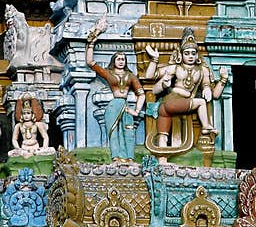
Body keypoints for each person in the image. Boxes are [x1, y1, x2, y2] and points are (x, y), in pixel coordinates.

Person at [144, 28, 228, 149]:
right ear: (181, 54)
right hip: (171, 102)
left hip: (176, 106)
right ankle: (206, 126)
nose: (190, 56)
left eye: (193, 53)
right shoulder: (175, 68)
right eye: (187, 53)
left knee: (163, 137)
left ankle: (162, 154)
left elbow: (215, 95)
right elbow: (149, 76)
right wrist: (155, 59)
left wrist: (222, 80)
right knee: (200, 102)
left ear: (197, 55)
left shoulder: (202, 70)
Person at [86, 21, 144, 163]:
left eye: (123, 59)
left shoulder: (130, 76)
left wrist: (136, 110)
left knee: (129, 131)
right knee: (114, 132)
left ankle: (129, 157)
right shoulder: (109, 74)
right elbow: (90, 62)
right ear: (114, 61)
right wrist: (91, 43)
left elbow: (141, 94)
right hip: (113, 105)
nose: (121, 61)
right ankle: (116, 157)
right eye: (118, 59)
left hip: (126, 106)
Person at [7, 94, 55, 159]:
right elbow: (14, 139)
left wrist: (44, 147)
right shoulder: (18, 125)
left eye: (28, 113)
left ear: (33, 114)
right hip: (24, 149)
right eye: (24, 113)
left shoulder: (37, 124)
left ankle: (33, 154)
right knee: (10, 153)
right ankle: (27, 154)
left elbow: (45, 137)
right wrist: (18, 149)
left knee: (52, 150)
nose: (26, 116)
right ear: (21, 115)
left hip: (36, 148)